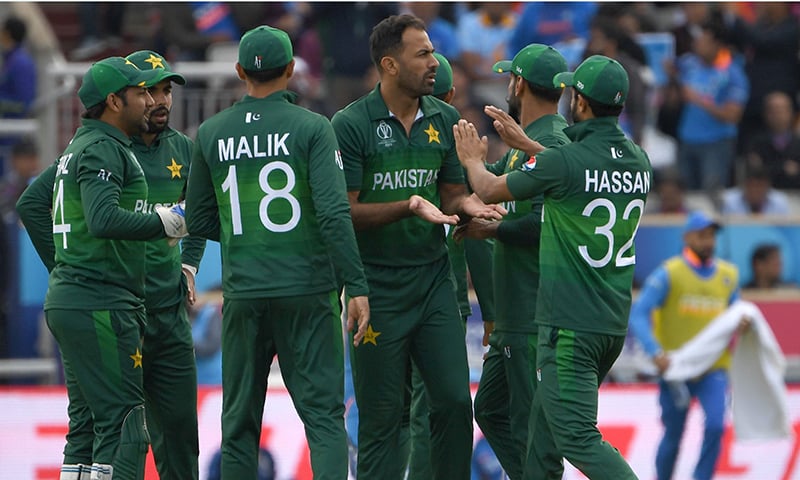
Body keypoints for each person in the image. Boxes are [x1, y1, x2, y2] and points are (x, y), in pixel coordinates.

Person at [184, 25, 370, 480]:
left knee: (239, 422)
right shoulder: (313, 128)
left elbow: (199, 217)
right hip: (308, 291)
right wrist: (357, 285)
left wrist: (194, 260)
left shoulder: (210, 133)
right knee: (324, 416)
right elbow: (332, 214)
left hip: (244, 293)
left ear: (239, 71)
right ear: (291, 70)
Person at [455, 54, 651, 479]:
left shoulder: (566, 159)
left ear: (578, 100)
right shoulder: (638, 160)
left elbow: (489, 188)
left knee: (575, 438)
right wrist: (529, 147)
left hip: (568, 324)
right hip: (611, 320)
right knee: (539, 445)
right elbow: (577, 174)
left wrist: (471, 159)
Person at [331, 14, 504, 480]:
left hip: (432, 283)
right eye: (422, 54)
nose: (434, 62)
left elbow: (450, 196)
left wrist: (475, 205)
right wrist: (407, 205)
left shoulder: (445, 118)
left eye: (432, 52)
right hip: (377, 288)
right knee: (383, 419)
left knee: (451, 403)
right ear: (390, 64)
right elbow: (345, 211)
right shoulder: (350, 124)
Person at [15, 56, 188, 480]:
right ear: (114, 101)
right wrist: (163, 222)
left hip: (79, 299)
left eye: (157, 91)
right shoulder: (105, 148)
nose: (150, 101)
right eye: (141, 93)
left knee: (86, 428)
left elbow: (32, 204)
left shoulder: (81, 145)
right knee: (126, 427)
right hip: (103, 302)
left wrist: (68, 270)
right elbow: (103, 219)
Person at [455, 43, 570, 480]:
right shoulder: (523, 147)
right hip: (513, 315)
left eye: (510, 77)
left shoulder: (554, 143)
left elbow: (545, 225)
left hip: (533, 313)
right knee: (490, 411)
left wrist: (495, 227)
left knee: (528, 425)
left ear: (519, 83)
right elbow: (487, 189)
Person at [407, 51, 497, 480]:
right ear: (453, 95)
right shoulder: (462, 155)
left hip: (389, 297)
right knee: (439, 410)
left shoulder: (393, 143)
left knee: (395, 411)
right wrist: (492, 313)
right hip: (444, 300)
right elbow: (477, 236)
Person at [125, 49, 206, 480]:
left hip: (170, 312)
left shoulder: (184, 150)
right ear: (126, 97)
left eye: (166, 90)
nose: (162, 101)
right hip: (121, 311)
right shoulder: (107, 150)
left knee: (180, 435)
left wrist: (190, 266)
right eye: (149, 91)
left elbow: (200, 215)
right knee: (125, 438)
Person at [629, 211, 741, 480]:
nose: (708, 242)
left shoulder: (729, 275)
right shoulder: (670, 273)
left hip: (713, 369)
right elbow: (638, 313)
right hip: (675, 369)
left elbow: (734, 315)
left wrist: (743, 324)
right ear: (687, 237)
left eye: (712, 236)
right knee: (674, 434)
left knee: (716, 426)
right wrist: (655, 352)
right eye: (702, 235)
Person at [721, 165, 790, 216]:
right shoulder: (728, 200)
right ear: (744, 185)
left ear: (767, 186)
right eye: (752, 186)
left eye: (759, 186)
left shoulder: (780, 201)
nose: (755, 191)